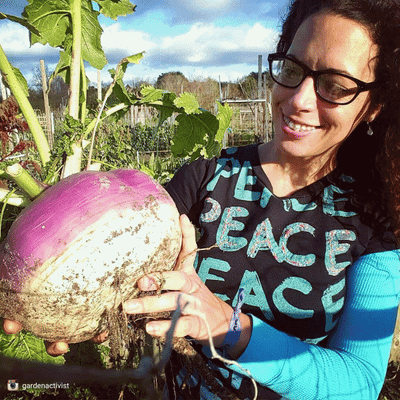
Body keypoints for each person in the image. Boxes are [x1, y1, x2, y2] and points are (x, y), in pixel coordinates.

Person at [3, 0, 400, 398]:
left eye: (335, 86)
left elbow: (360, 383)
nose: (299, 100)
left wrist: (226, 325)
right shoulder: (204, 180)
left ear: (374, 106)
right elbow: (116, 259)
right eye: (293, 70)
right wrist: (68, 292)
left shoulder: (372, 219)